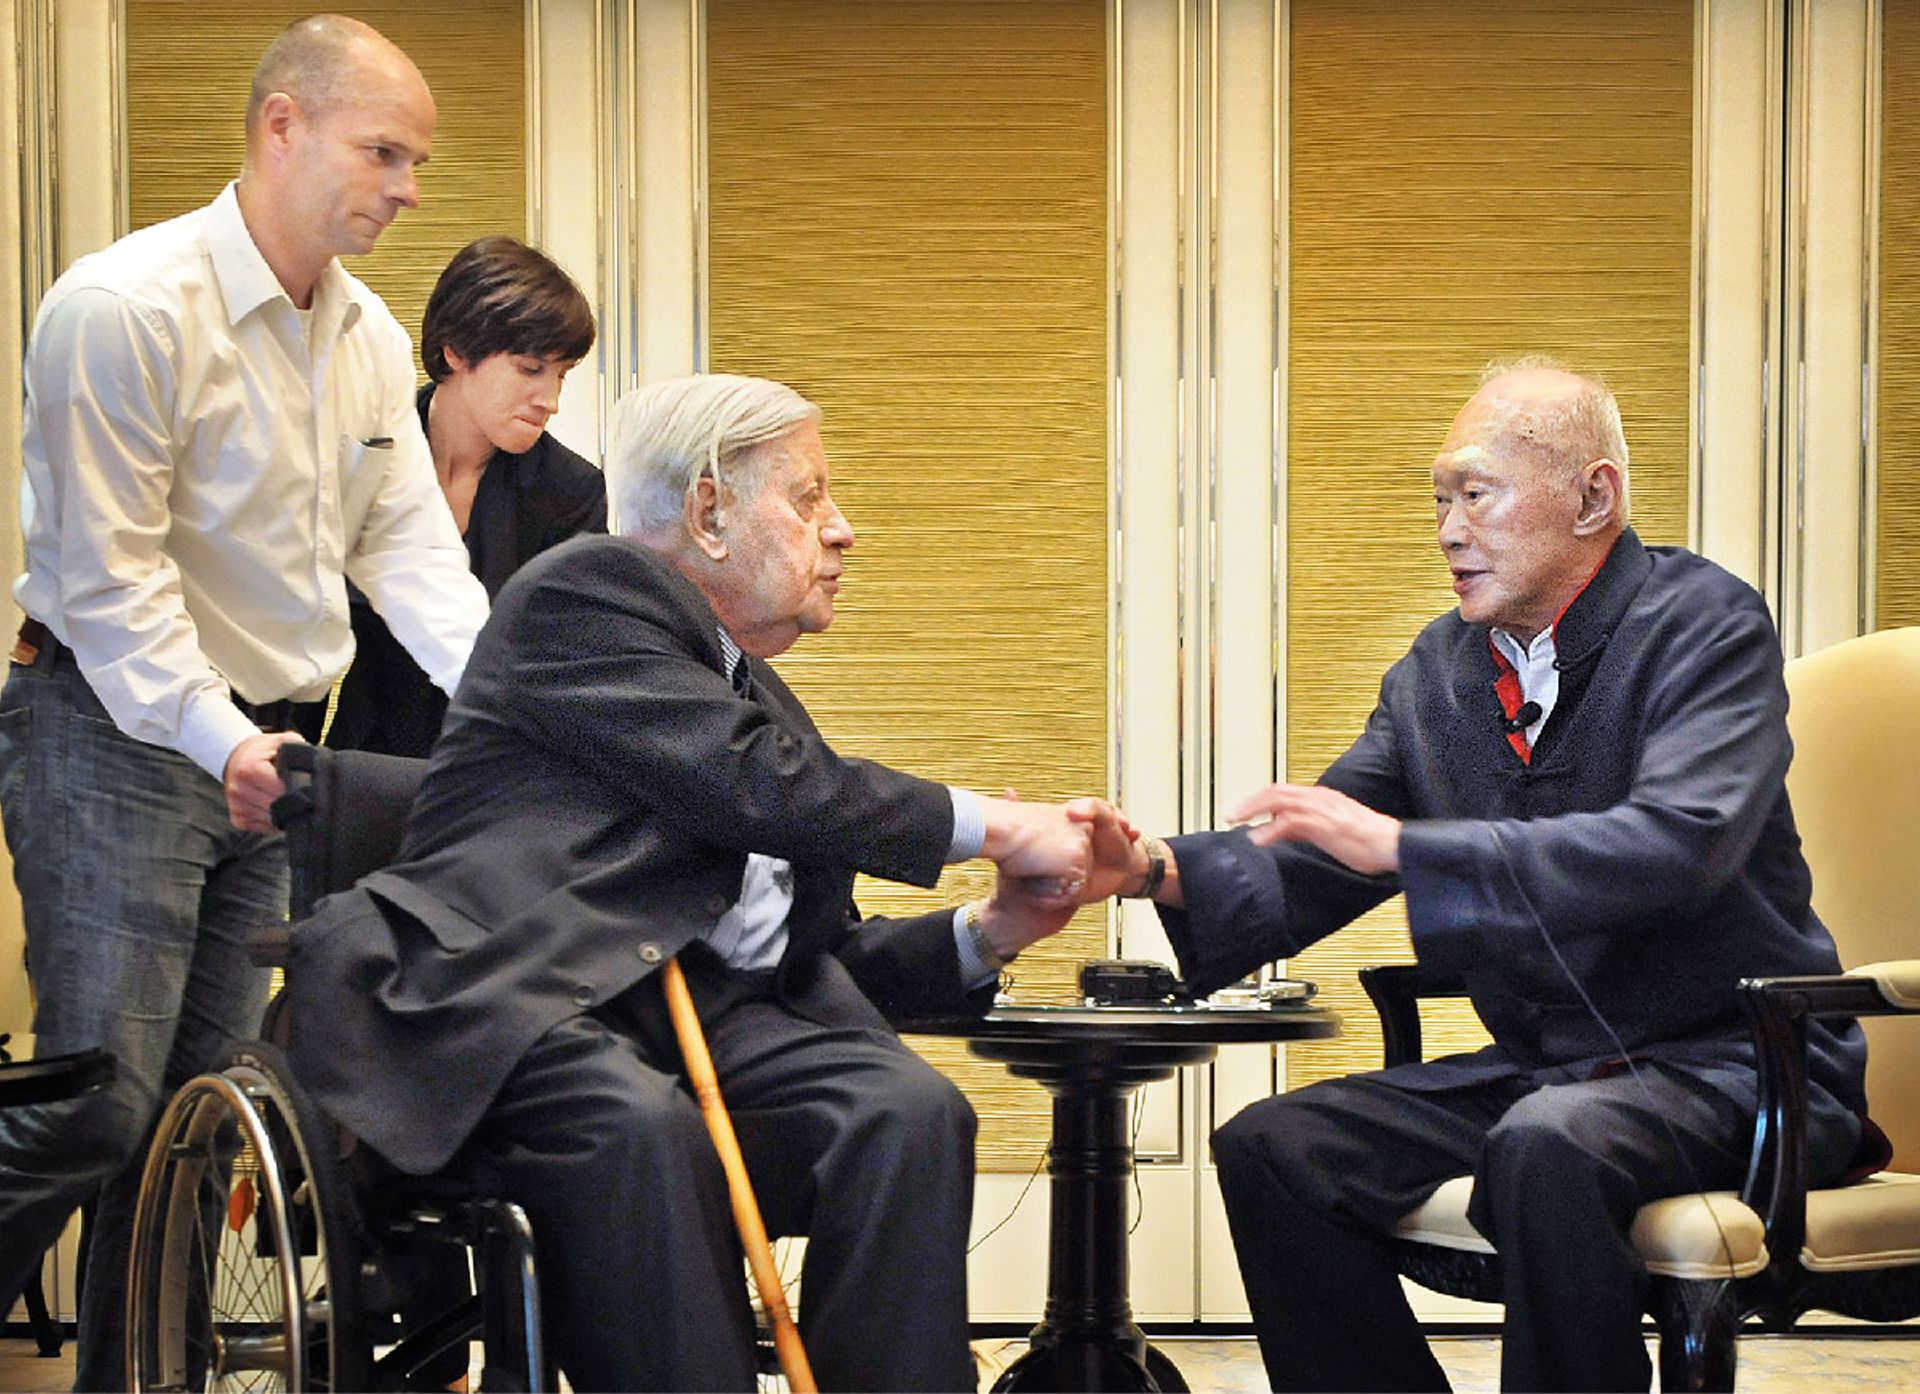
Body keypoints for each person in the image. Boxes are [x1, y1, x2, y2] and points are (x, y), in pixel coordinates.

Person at [285, 372, 1121, 1391]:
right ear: (709, 510)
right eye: (809, 498)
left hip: (697, 1033)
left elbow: (816, 953)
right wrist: (995, 823)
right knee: (642, 1126)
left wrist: (993, 929)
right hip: (509, 1001)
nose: (844, 529)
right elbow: (752, 782)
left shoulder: (751, 695)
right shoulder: (578, 593)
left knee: (903, 1110)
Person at [1089, 360, 1876, 1391]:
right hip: (1557, 1071)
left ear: (1594, 496)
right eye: (1440, 499)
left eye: (1477, 493)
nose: (1450, 529)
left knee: (1549, 1142)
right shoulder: (1438, 672)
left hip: (1738, 1066)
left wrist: (1407, 849)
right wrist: (1152, 867)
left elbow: (1680, 840)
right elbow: (1326, 850)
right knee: (1277, 1145)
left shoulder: (1705, 624)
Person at [0, 15, 489, 1388]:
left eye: (416, 161)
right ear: (282, 125)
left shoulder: (368, 333)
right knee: (99, 1104)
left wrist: (523, 708)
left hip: (280, 749)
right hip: (116, 729)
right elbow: (111, 582)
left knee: (194, 1136)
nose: (406, 187)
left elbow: (407, 557)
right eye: (383, 151)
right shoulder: (123, 307)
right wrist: (225, 742)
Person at [326, 235, 604, 756]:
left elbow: (566, 671)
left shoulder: (571, 493)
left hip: (500, 778)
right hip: (363, 763)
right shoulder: (363, 457)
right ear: (455, 350)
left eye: (561, 375)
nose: (551, 400)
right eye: (530, 368)